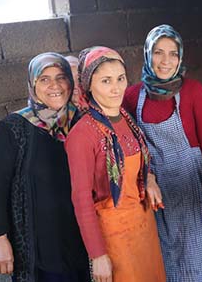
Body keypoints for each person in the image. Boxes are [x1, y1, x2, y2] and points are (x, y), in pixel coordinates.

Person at [122, 24, 202, 281]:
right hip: (156, 191)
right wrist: (147, 176)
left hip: (191, 185)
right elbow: (132, 147)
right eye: (159, 52)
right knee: (167, 257)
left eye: (173, 53)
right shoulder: (132, 96)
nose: (166, 61)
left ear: (181, 57)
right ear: (147, 54)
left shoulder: (193, 90)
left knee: (200, 258)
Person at [0, 53, 90, 281]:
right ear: (32, 84)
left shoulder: (81, 121)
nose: (55, 86)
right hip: (39, 248)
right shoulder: (13, 128)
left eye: (61, 77)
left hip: (80, 242)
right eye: (44, 79)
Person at [64, 46, 166, 282]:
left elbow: (139, 159)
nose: (116, 88)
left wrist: (148, 178)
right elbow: (81, 200)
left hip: (144, 225)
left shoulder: (125, 117)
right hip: (114, 235)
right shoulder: (83, 134)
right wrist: (98, 255)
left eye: (120, 79)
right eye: (106, 81)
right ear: (89, 85)